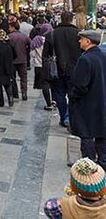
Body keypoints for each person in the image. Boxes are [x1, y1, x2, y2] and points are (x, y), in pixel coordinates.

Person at [68, 30, 106, 169]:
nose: (79, 41)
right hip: (101, 101)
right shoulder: (102, 56)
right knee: (101, 134)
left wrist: (72, 95)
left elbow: (80, 85)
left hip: (87, 104)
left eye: (81, 39)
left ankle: (88, 166)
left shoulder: (85, 59)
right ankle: (102, 164)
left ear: (88, 41)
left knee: (87, 134)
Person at [43, 11, 82, 128]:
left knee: (59, 94)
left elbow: (45, 55)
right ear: (72, 19)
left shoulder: (52, 34)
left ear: (60, 19)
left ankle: (64, 117)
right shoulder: (78, 34)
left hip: (57, 70)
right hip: (75, 69)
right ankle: (69, 117)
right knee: (73, 95)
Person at [31, 24, 55, 110]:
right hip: (51, 65)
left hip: (39, 65)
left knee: (44, 85)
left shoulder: (37, 40)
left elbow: (32, 54)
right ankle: (54, 101)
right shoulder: (52, 39)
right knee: (53, 84)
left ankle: (48, 104)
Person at [8, 22, 31, 101]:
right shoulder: (24, 36)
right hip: (23, 59)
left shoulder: (9, 36)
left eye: (10, 27)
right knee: (23, 77)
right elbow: (30, 45)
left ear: (13, 27)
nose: (9, 29)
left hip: (12, 60)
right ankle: (24, 93)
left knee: (12, 77)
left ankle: (15, 93)